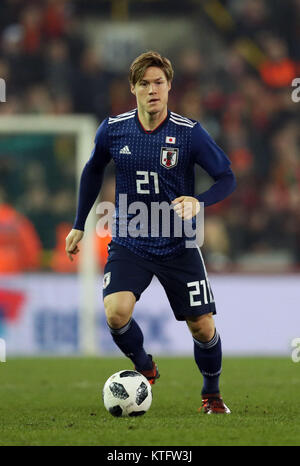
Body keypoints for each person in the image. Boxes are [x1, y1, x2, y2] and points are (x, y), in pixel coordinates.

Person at [66, 51, 236, 414]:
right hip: (131, 240)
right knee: (115, 312)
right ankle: (144, 365)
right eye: (144, 83)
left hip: (178, 243)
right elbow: (92, 171)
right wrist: (79, 224)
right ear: (133, 88)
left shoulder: (189, 133)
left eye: (159, 82)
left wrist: (199, 201)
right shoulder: (114, 129)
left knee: (203, 328)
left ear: (169, 86)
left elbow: (227, 177)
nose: (152, 89)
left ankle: (212, 395)